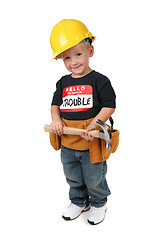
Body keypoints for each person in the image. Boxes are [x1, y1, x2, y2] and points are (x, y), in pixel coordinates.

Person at [49, 19, 116, 225]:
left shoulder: (100, 80)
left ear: (91, 51)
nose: (74, 61)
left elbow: (109, 106)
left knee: (94, 177)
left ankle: (98, 203)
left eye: (78, 54)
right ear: (61, 59)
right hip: (68, 142)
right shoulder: (63, 82)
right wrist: (56, 119)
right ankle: (78, 201)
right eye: (67, 57)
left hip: (91, 141)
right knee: (72, 175)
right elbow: (55, 104)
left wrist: (95, 124)